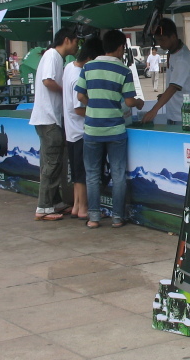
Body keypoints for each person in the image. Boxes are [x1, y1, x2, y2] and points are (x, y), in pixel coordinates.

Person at [77, 29, 144, 228]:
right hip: (115, 129)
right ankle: (117, 217)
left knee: (92, 174)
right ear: (121, 47)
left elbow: (80, 96)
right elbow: (130, 101)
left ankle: (94, 218)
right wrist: (139, 102)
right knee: (118, 174)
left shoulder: (88, 67)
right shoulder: (124, 70)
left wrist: (95, 105)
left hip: (92, 130)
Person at [29, 28, 79, 221]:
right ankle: (43, 207)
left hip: (49, 118)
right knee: (51, 164)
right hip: (48, 118)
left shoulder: (56, 57)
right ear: (67, 40)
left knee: (53, 163)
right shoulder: (52, 55)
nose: (77, 45)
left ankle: (54, 201)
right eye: (76, 41)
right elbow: (48, 81)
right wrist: (66, 92)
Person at [63, 35, 104, 221]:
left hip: (71, 131)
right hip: (81, 131)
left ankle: (77, 206)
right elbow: (79, 108)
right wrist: (99, 113)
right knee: (85, 173)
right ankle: (84, 208)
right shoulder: (78, 76)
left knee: (78, 173)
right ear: (91, 57)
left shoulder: (69, 67)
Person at [141, 18, 190, 125]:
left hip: (182, 117)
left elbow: (173, 87)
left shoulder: (182, 59)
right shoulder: (172, 53)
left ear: (173, 37)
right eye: (158, 40)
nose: (160, 44)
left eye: (162, 40)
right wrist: (164, 95)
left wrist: (154, 110)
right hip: (174, 113)